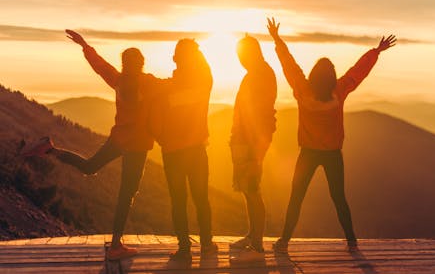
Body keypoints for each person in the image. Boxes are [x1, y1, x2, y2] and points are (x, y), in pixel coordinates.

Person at [20, 30, 157, 261]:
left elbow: (99, 65)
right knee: (126, 195)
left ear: (124, 64)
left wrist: (84, 45)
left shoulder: (118, 80)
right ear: (141, 64)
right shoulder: (150, 83)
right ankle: (116, 246)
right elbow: (174, 86)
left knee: (90, 166)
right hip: (137, 146)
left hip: (118, 140)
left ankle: (51, 149)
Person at [266, 18, 396, 253]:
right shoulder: (340, 89)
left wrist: (277, 39)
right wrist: (376, 51)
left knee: (296, 198)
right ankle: (351, 241)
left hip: (307, 153)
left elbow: (289, 65)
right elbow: (359, 71)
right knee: (339, 199)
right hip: (333, 154)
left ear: (314, 74)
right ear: (332, 75)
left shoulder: (302, 89)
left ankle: (284, 241)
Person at [148, 39, 217, 263]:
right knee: (201, 199)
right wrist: (197, 51)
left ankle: (184, 248)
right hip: (196, 151)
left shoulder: (165, 89)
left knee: (178, 201)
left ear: (176, 59)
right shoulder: (202, 86)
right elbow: (207, 70)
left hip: (173, 153)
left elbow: (154, 122)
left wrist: (163, 140)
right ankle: (206, 245)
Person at [229, 35, 277, 263]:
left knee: (253, 190)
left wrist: (258, 148)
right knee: (247, 189)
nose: (239, 60)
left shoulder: (263, 75)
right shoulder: (252, 75)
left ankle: (257, 245)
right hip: (242, 140)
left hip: (252, 142)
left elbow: (264, 115)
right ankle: (251, 235)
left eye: (242, 55)